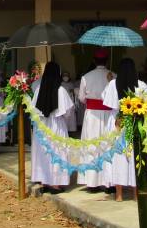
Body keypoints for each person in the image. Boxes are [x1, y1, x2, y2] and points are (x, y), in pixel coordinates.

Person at [102, 58, 147, 202]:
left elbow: (106, 100)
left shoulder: (112, 84)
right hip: (135, 122)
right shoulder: (141, 84)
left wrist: (109, 81)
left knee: (118, 156)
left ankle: (119, 194)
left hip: (117, 123)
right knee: (136, 154)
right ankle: (136, 193)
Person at [31, 62, 75, 193]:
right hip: (57, 124)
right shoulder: (61, 90)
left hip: (43, 125)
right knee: (57, 151)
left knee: (44, 152)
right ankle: (55, 183)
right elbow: (68, 112)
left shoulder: (39, 90)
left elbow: (34, 109)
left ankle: (45, 181)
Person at [77, 48, 114, 190]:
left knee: (92, 145)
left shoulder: (86, 77)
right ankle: (109, 182)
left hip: (92, 115)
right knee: (108, 145)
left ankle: (92, 182)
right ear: (106, 61)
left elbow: (81, 98)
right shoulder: (113, 75)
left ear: (94, 60)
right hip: (108, 115)